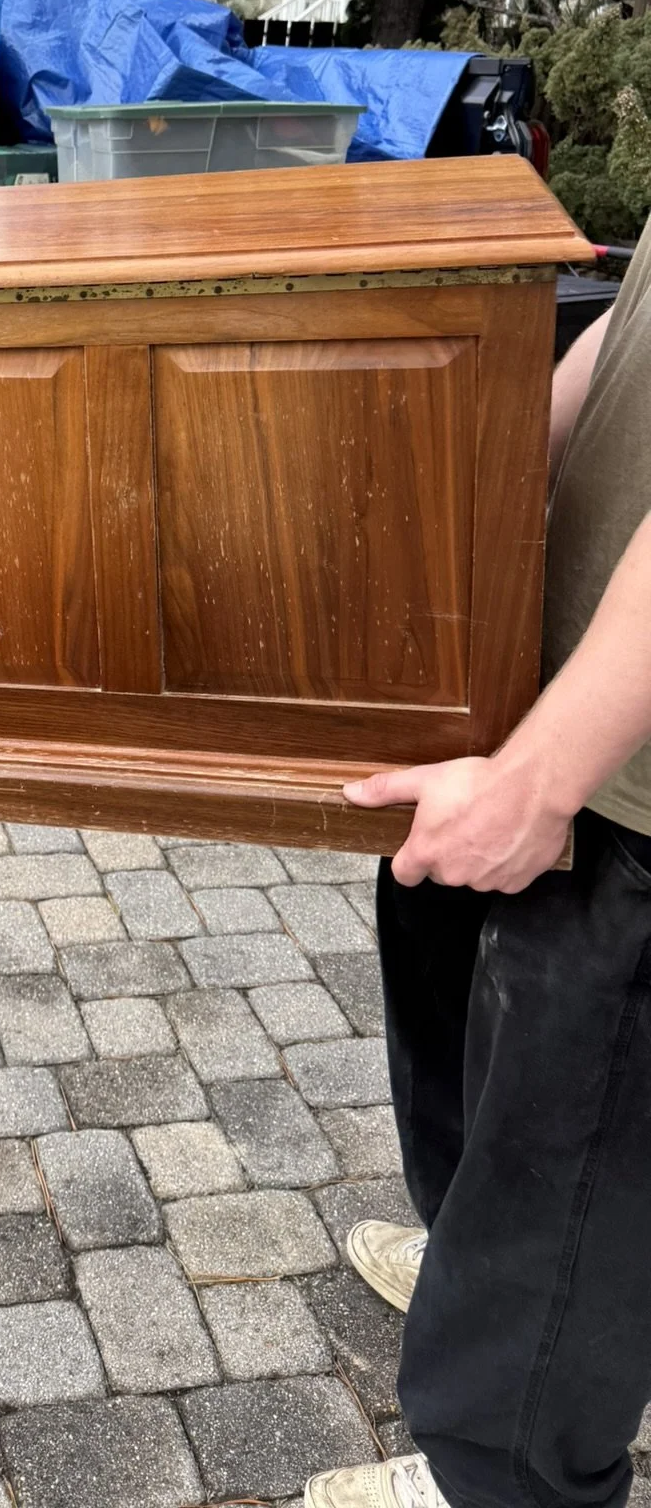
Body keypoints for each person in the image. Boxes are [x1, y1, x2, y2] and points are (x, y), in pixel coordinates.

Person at [302, 271, 651, 1508]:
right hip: (542, 681)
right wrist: (482, 473)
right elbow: (637, 318)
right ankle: (475, 1258)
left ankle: (505, 1481)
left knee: (577, 1152)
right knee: (480, 1075)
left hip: (625, 764)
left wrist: (547, 775)